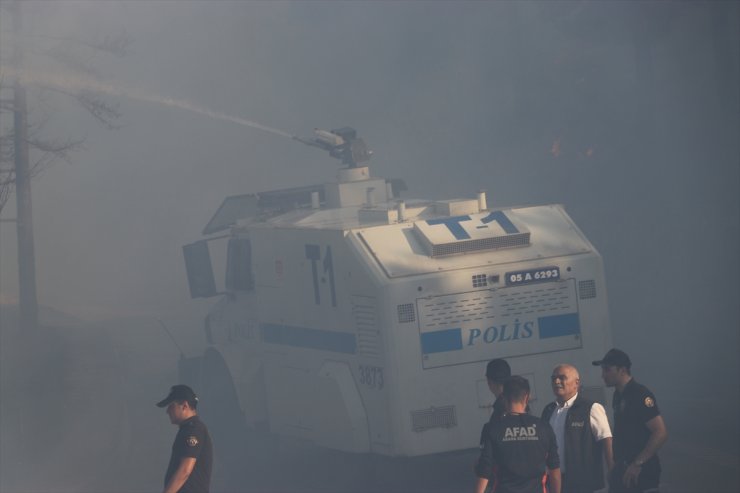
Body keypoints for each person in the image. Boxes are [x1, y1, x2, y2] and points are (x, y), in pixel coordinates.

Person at [593, 349, 668, 493]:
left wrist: (638, 463)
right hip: (623, 469)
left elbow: (661, 432)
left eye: (607, 370)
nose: (603, 375)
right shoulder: (618, 395)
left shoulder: (640, 394)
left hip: (641, 472)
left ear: (622, 370)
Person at [474, 376, 561, 493]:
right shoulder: (544, 427)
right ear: (527, 397)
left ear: (503, 398)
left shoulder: (492, 428)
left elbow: (485, 469)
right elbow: (554, 467)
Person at [542, 364, 613, 493]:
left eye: (562, 377)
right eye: (553, 378)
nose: (556, 382)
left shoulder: (591, 408)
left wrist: (613, 476)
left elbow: (607, 442)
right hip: (556, 484)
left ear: (576, 383)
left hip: (585, 485)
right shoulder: (548, 411)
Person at [157, 384, 214, 493]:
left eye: (171, 406)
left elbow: (185, 470)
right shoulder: (189, 429)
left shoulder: (194, 430)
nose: (167, 411)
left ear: (184, 406)